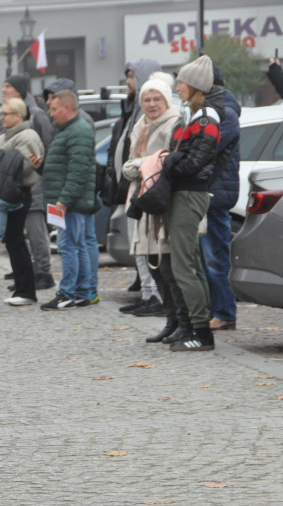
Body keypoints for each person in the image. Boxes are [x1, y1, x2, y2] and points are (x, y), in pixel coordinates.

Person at [160, 55, 222, 351]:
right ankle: (198, 327)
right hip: (184, 193)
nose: (177, 86)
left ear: (195, 85)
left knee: (185, 265)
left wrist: (170, 162)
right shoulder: (194, 115)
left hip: (189, 194)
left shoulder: (207, 118)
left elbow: (196, 162)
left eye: (182, 81)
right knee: (191, 264)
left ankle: (201, 333)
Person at [120, 73, 182, 342]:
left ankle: (182, 320)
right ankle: (170, 319)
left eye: (157, 98)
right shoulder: (140, 125)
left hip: (162, 200)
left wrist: (138, 165)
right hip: (141, 199)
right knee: (152, 263)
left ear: (167, 100)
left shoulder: (173, 124)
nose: (152, 104)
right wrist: (138, 165)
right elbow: (134, 161)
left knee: (167, 265)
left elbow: (163, 160)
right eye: (147, 99)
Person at [0, 74, 55, 290]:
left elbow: (42, 150)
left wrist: (41, 173)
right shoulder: (7, 119)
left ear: (20, 91)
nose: (3, 90)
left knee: (36, 231)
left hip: (32, 185)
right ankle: (25, 270)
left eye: (8, 87)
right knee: (18, 234)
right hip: (12, 187)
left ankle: (43, 272)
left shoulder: (37, 116)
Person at [106, 58, 162, 307]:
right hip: (132, 184)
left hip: (147, 186)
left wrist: (133, 167)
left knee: (149, 244)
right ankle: (148, 293)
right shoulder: (133, 109)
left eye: (131, 76)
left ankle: (156, 296)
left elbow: (151, 154)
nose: (127, 82)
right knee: (138, 244)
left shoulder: (154, 116)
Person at [0, 98, 45, 305]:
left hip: (20, 193)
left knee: (17, 241)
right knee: (12, 241)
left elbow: (22, 167)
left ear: (19, 116)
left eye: (6, 114)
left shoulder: (28, 136)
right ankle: (21, 287)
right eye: (1, 113)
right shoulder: (7, 135)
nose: (2, 117)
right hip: (6, 194)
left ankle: (26, 291)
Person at [39, 91, 97, 310]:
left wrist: (64, 199)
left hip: (69, 202)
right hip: (68, 200)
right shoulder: (69, 130)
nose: (50, 114)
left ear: (67, 108)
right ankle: (82, 291)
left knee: (68, 246)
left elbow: (78, 170)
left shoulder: (77, 131)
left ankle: (67, 293)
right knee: (77, 245)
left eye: (54, 109)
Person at [201, 67, 240, 332]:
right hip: (212, 190)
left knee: (216, 257)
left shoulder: (224, 111)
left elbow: (207, 147)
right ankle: (217, 309)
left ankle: (225, 312)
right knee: (208, 257)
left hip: (217, 192)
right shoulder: (215, 109)